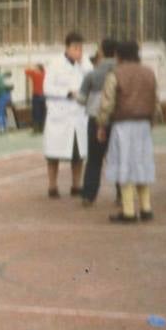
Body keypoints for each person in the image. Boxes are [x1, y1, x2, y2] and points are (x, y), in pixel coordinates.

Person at [95, 40, 160, 223]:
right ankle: (146, 208)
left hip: (123, 125)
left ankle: (129, 211)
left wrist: (101, 124)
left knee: (125, 165)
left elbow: (107, 103)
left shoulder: (115, 74)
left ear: (119, 55)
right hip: (144, 125)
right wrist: (152, 120)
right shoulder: (149, 73)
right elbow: (156, 100)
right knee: (142, 163)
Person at [42, 32, 91, 199]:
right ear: (67, 47)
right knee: (53, 154)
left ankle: (76, 185)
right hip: (59, 114)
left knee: (78, 154)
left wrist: (82, 64)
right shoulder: (55, 63)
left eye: (80, 48)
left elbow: (91, 80)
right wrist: (67, 93)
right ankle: (52, 186)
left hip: (78, 115)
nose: (78, 51)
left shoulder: (85, 63)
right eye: (75, 48)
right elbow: (47, 88)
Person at [78, 39, 117, 206]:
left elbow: (81, 99)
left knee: (94, 159)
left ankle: (88, 194)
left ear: (101, 52)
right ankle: (123, 195)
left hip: (95, 118)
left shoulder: (92, 74)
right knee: (117, 158)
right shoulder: (121, 72)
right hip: (117, 119)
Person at [25, 63, 46, 134]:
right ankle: (42, 128)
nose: (35, 69)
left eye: (36, 68)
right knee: (42, 112)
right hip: (43, 95)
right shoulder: (44, 74)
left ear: (38, 69)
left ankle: (36, 129)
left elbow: (26, 71)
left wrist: (29, 67)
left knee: (36, 112)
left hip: (36, 95)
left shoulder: (35, 74)